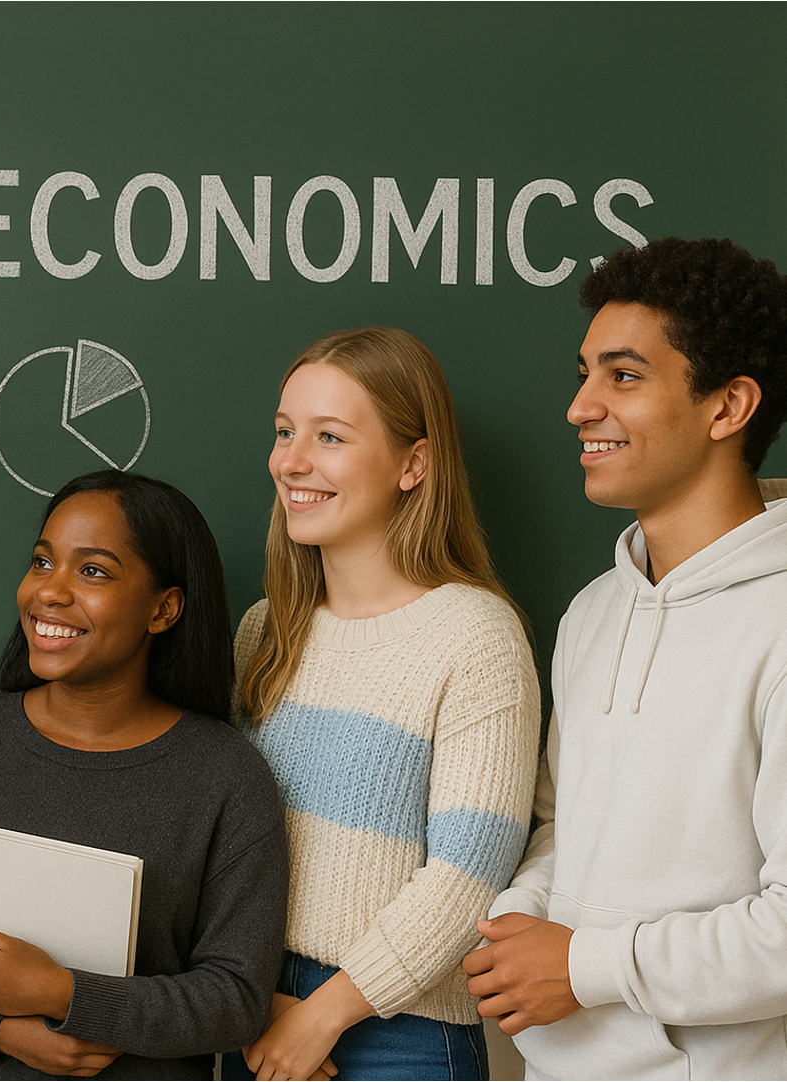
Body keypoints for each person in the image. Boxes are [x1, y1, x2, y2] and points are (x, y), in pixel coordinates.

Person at [463, 237, 787, 1079]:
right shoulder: (592, 612)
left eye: (624, 376)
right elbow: (560, 826)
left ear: (728, 407)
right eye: (584, 373)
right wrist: (518, 922)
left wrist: (583, 966)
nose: (579, 406)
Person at [0, 470, 288, 1080]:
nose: (49, 592)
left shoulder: (226, 775)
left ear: (163, 610)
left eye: (93, 571)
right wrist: (1, 1032)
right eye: (41, 561)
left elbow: (236, 999)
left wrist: (63, 993)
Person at [229, 327, 540, 1081]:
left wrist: (326, 1013)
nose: (292, 461)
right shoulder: (265, 630)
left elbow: (469, 874)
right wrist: (255, 997)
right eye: (284, 431)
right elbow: (224, 845)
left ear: (415, 463)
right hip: (258, 1012)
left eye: (329, 436)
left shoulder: (477, 637)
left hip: (396, 1036)